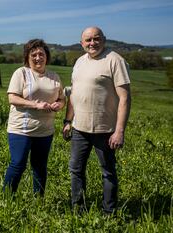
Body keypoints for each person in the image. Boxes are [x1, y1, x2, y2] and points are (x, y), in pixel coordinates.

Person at [62, 26, 131, 214]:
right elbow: (74, 94)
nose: (92, 43)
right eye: (88, 40)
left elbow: (125, 98)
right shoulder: (79, 62)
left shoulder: (115, 60)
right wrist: (67, 121)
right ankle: (78, 209)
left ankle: (109, 213)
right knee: (76, 169)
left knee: (107, 172)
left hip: (105, 129)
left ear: (104, 39)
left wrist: (119, 131)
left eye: (96, 38)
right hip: (79, 129)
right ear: (81, 42)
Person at [3, 39, 65, 196]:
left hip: (45, 131)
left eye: (41, 54)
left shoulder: (54, 76)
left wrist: (59, 105)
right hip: (21, 130)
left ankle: (39, 200)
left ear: (47, 56)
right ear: (27, 57)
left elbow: (62, 98)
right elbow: (13, 98)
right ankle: (6, 199)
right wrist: (34, 105)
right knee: (18, 164)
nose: (38, 58)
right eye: (34, 54)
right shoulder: (21, 73)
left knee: (40, 166)